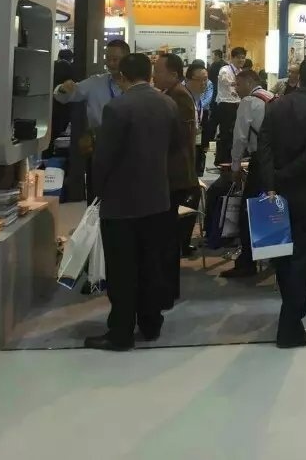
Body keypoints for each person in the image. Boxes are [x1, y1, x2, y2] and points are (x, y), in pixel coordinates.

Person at [84, 53, 181, 352]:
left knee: (122, 270)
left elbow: (104, 158)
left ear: (122, 77)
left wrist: (97, 192)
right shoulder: (168, 104)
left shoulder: (117, 107)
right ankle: (151, 324)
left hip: (121, 203)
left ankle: (121, 332)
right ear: (149, 74)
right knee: (151, 264)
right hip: (157, 198)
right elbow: (176, 147)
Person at [257, 57, 306, 349]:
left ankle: (289, 318)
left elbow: (263, 147)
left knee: (280, 258)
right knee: (301, 261)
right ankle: (290, 326)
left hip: (274, 195)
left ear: (299, 77)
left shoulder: (276, 105)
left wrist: (272, 181)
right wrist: (284, 176)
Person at [54, 38, 130, 203]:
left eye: (115, 59)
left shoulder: (136, 86)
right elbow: (65, 96)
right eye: (108, 58)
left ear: (127, 60)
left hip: (128, 149)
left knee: (124, 199)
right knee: (96, 199)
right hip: (99, 148)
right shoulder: (96, 83)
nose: (110, 63)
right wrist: (64, 88)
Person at [220, 70, 274, 279]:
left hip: (259, 161)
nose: (236, 89)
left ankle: (246, 262)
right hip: (276, 161)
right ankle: (274, 255)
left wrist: (235, 166)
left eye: (238, 84)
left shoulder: (249, 102)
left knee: (247, 211)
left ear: (250, 82)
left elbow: (240, 137)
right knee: (270, 206)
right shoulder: (272, 98)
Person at [153, 53, 198, 302]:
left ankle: (168, 290)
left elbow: (178, 136)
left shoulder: (178, 96)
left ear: (173, 74)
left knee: (168, 237)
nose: (154, 75)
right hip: (172, 174)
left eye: (158, 71)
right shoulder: (170, 94)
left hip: (175, 175)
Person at [214, 46, 247, 167]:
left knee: (236, 133)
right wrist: (239, 83)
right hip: (226, 104)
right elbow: (227, 82)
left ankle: (233, 159)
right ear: (232, 58)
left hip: (238, 104)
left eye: (243, 58)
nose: (241, 60)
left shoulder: (241, 71)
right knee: (226, 134)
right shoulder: (225, 70)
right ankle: (222, 160)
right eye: (239, 58)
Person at [185, 62, 212, 177]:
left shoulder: (198, 96)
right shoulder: (183, 97)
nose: (203, 83)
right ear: (187, 80)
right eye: (199, 80)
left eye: (205, 79)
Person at [207, 49, 226, 151]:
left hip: (215, 94)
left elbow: (210, 80)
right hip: (225, 99)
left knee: (213, 122)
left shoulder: (213, 66)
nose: (212, 57)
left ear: (217, 56)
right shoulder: (226, 66)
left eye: (213, 55)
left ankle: (210, 145)